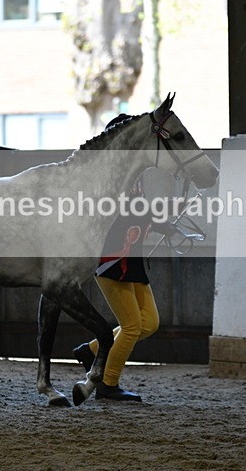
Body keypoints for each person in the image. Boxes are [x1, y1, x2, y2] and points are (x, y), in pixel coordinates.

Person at [73, 114, 174, 402]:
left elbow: (136, 211)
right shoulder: (106, 178)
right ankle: (107, 384)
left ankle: (91, 350)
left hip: (133, 260)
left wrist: (157, 224)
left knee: (149, 323)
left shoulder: (135, 177)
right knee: (131, 327)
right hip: (113, 261)